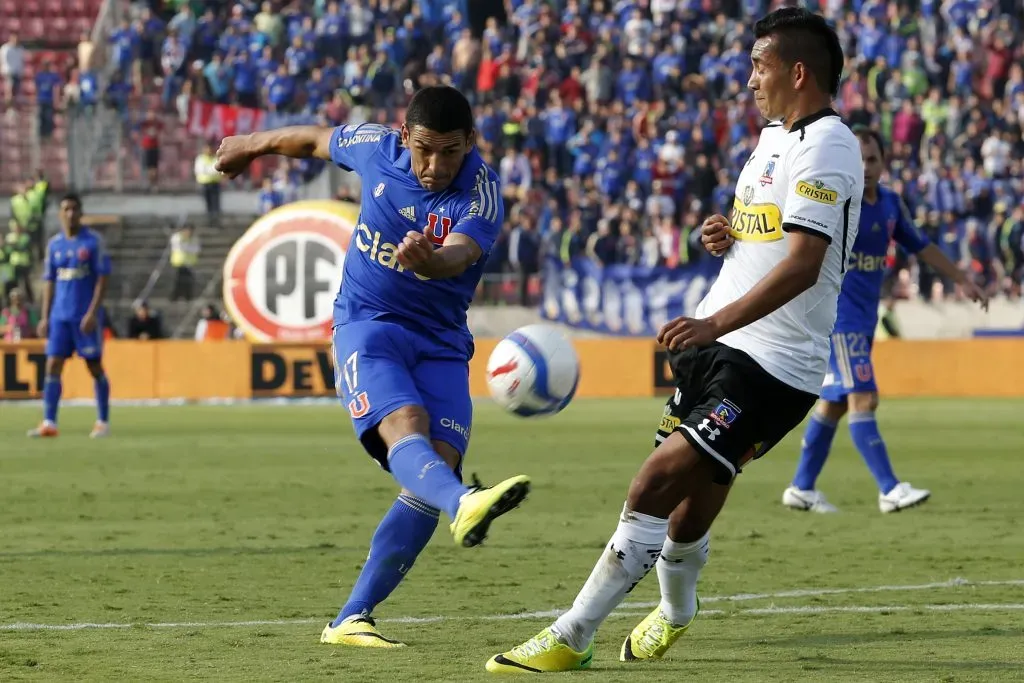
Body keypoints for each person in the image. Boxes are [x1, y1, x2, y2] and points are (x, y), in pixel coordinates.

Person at [487, 8, 862, 672]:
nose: (748, 78)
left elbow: (805, 264)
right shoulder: (776, 135)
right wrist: (729, 234)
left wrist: (717, 322)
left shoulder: (829, 144)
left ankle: (573, 633)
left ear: (798, 71)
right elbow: (773, 237)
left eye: (758, 65)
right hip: (721, 349)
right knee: (690, 507)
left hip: (772, 364)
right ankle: (679, 610)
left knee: (654, 483)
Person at [215, 85, 530, 648]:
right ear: (404, 136)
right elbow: (313, 140)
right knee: (408, 427)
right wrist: (250, 143)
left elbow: (459, 252)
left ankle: (351, 619)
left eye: (450, 152)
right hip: (367, 325)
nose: (435, 166)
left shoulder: (480, 191)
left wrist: (432, 261)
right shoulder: (376, 147)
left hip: (440, 341)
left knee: (434, 472)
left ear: (471, 143)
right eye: (425, 150)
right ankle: (465, 502)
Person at [783, 126, 989, 514]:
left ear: (883, 162)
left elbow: (921, 245)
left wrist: (961, 279)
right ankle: (889, 489)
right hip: (839, 317)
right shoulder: (839, 205)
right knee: (865, 396)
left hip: (862, 320)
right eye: (858, 160)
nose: (865, 167)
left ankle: (801, 487)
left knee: (836, 403)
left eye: (873, 159)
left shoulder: (891, 204)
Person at [28, 193, 112, 439]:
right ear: (60, 214)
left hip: (84, 317)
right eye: (66, 209)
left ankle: (102, 422)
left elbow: (103, 279)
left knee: (94, 366)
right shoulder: (54, 245)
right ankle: (49, 422)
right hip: (59, 317)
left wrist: (93, 313)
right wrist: (44, 317)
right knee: (53, 365)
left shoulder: (93, 242)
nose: (71, 213)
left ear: (81, 212)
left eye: (75, 209)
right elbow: (49, 283)